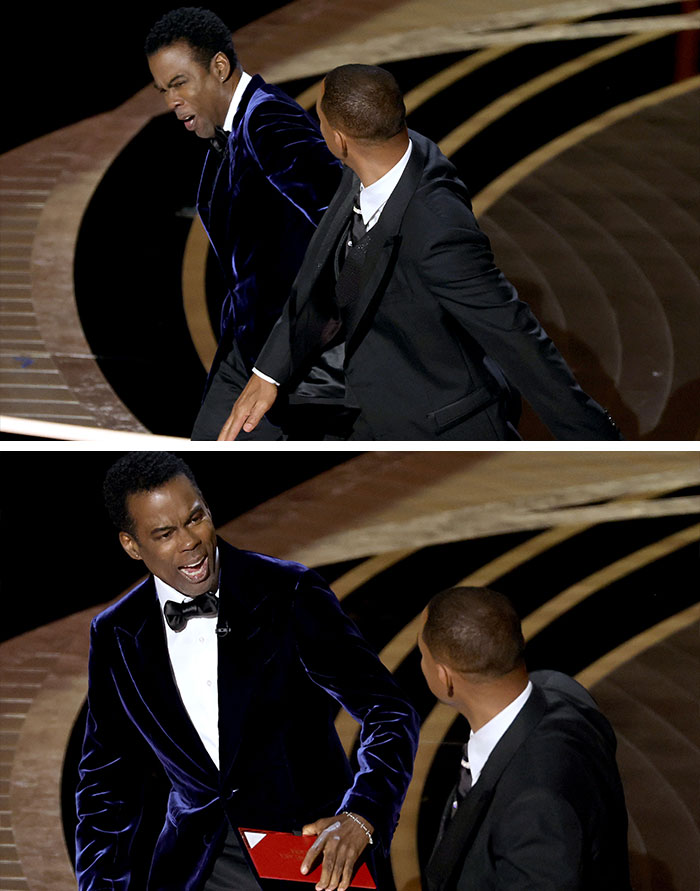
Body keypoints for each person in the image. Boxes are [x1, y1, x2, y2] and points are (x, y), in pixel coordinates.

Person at [218, 64, 623, 441]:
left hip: (442, 429)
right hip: (371, 402)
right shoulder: (379, 159)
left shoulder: (437, 230)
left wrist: (596, 440)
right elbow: (331, 275)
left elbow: (515, 336)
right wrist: (268, 373)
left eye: (319, 120)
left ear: (339, 141)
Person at [75, 452, 420, 891]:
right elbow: (105, 783)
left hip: (307, 858)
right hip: (198, 869)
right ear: (131, 545)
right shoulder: (116, 633)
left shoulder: (288, 593)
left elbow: (390, 711)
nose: (190, 541)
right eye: (164, 533)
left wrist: (364, 813)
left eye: (195, 518)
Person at [145, 8, 350, 440]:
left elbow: (342, 217)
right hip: (247, 351)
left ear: (219, 67)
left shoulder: (268, 120)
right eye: (163, 90)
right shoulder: (233, 131)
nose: (171, 101)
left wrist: (287, 357)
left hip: (294, 363)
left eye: (179, 83)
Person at [417, 587, 631, 890]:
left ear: (444, 678)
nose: (420, 664)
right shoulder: (562, 690)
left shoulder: (534, 809)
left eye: (422, 655)